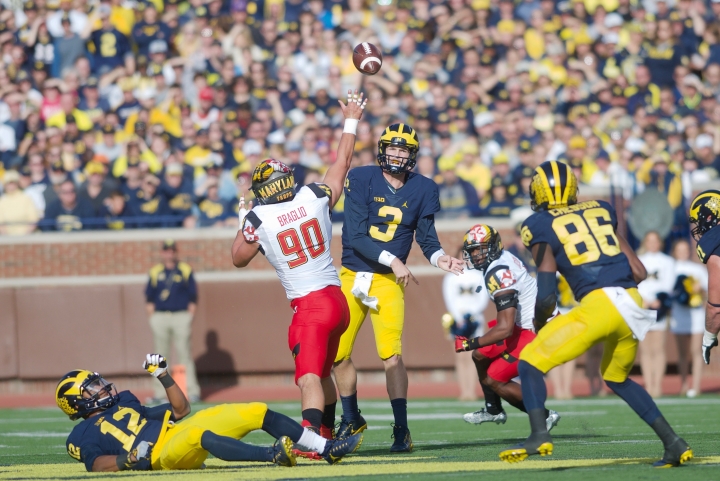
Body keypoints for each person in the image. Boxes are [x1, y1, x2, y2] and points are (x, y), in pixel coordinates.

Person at [500, 161, 692, 467]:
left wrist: (539, 323)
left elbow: (547, 295)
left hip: (599, 305)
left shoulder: (538, 224)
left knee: (530, 362)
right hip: (632, 303)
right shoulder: (601, 210)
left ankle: (538, 434)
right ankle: (673, 443)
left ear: (537, 193)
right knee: (617, 377)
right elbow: (639, 271)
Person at [231, 91, 367, 445]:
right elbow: (342, 162)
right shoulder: (313, 196)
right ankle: (327, 434)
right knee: (322, 373)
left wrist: (244, 218)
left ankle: (311, 442)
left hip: (310, 306)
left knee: (308, 378)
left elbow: (238, 257)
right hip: (336, 300)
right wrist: (351, 121)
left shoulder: (259, 217)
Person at [332, 122, 464, 453]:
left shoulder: (424, 188)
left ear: (412, 155)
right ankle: (352, 417)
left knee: (391, 354)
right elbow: (356, 236)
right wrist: (393, 259)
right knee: (337, 354)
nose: (396, 154)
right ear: (382, 149)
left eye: (403, 149)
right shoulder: (361, 178)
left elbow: (427, 238)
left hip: (388, 281)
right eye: (392, 147)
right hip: (354, 274)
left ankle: (402, 429)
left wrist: (440, 259)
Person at [56, 354, 362, 471]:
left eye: (98, 383)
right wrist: (127, 460)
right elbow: (95, 464)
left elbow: (181, 409)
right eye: (92, 389)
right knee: (199, 434)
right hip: (159, 455)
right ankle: (272, 455)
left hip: (174, 432)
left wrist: (163, 376)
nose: (102, 388)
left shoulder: (125, 402)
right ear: (77, 403)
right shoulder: (82, 434)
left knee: (255, 410)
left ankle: (325, 448)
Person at [454, 224, 560, 432]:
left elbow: (505, 329)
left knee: (494, 377)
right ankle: (493, 409)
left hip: (538, 329)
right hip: (525, 325)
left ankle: (544, 415)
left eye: (480, 249)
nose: (475, 255)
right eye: (472, 250)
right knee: (480, 355)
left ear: (493, 246)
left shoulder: (498, 272)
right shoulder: (501, 259)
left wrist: (469, 343)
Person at [145, 240, 200, 403]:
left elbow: (193, 296)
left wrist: (189, 316)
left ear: (176, 252)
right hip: (160, 316)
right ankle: (160, 394)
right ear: (162, 253)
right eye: (166, 251)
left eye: (172, 251)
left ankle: (192, 391)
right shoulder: (155, 271)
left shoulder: (185, 269)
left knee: (185, 354)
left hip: (180, 316)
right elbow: (149, 298)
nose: (170, 254)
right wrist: (152, 318)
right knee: (159, 356)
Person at [441, 255, 489, 402]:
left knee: (473, 356)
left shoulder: (479, 275)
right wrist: (459, 317)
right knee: (460, 357)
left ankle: (472, 391)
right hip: (457, 321)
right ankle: (464, 392)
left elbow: (483, 298)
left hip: (475, 320)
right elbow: (449, 299)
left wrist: (471, 315)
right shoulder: (450, 277)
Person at [637, 231, 675, 399]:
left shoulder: (668, 261)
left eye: (655, 240)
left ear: (660, 242)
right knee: (645, 350)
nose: (652, 244)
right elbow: (635, 282)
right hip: (642, 308)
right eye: (649, 240)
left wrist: (658, 299)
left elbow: (669, 284)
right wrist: (643, 300)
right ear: (645, 242)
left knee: (658, 348)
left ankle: (657, 385)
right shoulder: (639, 260)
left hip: (659, 308)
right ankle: (648, 385)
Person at [670, 239, 707, 398]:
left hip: (696, 314)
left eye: (686, 249)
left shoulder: (697, 268)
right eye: (680, 250)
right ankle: (684, 384)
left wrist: (699, 290)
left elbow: (707, 290)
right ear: (674, 251)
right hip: (679, 315)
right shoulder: (670, 268)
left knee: (696, 351)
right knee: (683, 353)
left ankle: (696, 386)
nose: (683, 253)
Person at [687, 190, 720, 370]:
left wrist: (709, 337)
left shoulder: (715, 247)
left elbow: (715, 309)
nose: (699, 227)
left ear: (709, 216)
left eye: (699, 220)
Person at [0, 170, 40, 235]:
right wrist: (7, 237)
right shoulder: (2, 200)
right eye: (8, 183)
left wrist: (25, 235)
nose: (11, 186)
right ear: (5, 185)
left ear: (17, 184)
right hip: (7, 237)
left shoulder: (25, 198)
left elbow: (33, 219)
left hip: (26, 236)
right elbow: (1, 224)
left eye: (13, 183)